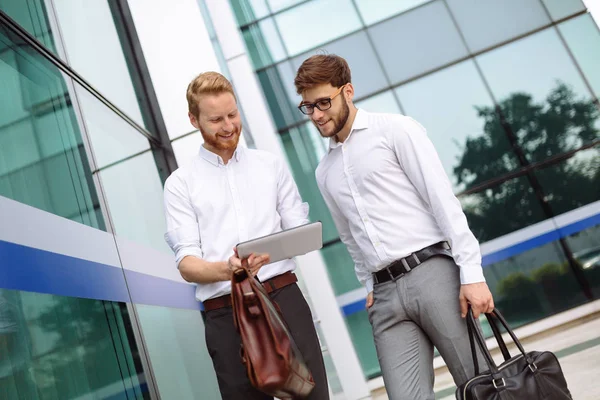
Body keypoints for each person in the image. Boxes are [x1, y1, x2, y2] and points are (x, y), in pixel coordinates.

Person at [294, 54, 494, 399]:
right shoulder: (324, 171)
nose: (316, 115)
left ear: (348, 91)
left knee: (481, 386)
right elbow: (349, 235)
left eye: (323, 102)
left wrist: (471, 273)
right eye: (308, 107)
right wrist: (367, 283)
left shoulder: (395, 130)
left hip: (432, 275)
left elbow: (442, 201)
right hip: (385, 297)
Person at [163, 71, 329, 400]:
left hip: (284, 298)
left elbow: (299, 229)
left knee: (313, 396)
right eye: (216, 120)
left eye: (232, 114)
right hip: (224, 314)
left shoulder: (270, 165)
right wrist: (230, 269)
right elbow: (187, 264)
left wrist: (283, 244)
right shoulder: (180, 184)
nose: (228, 126)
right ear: (193, 120)